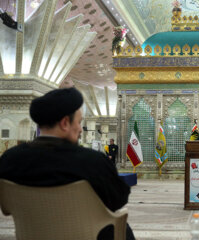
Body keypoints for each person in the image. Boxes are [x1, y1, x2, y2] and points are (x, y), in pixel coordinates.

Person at [0, 88, 135, 240]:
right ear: (65, 123)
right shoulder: (92, 161)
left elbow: (5, 207)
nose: (79, 129)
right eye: (78, 122)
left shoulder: (9, 160)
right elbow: (118, 199)